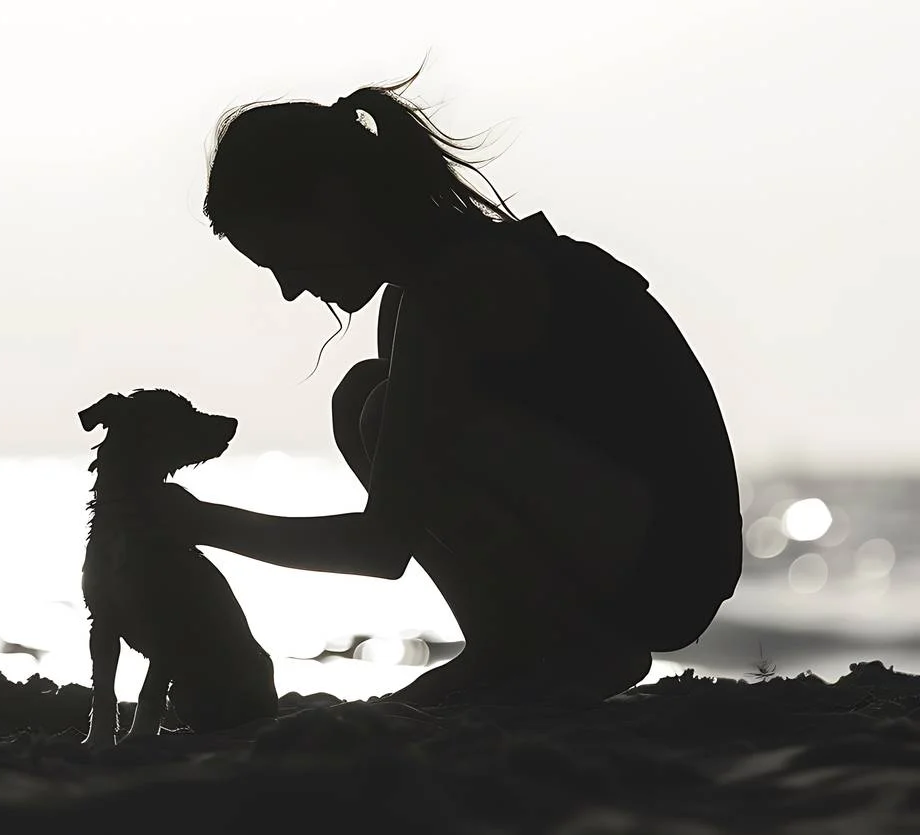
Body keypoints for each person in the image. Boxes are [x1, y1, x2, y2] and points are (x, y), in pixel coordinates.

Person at [151, 65, 744, 706]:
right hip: (626, 534)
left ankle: (570, 650)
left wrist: (197, 520)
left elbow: (383, 544)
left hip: (666, 567)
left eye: (284, 258)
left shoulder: (463, 287)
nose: (291, 288)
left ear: (334, 202)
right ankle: (509, 645)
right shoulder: (417, 294)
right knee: (364, 397)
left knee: (380, 410)